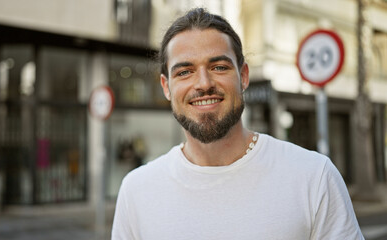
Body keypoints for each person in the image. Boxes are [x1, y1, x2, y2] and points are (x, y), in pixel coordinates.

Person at [111, 8, 364, 240]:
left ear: (243, 76)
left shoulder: (313, 177)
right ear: (166, 87)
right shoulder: (136, 191)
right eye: (184, 72)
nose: (203, 83)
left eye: (219, 67)